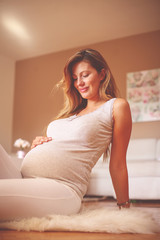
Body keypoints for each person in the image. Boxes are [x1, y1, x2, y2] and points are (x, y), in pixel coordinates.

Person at [0, 49, 132, 221]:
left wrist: (125, 207)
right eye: (75, 78)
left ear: (102, 74)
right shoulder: (72, 114)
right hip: (24, 179)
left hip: (62, 188)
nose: (79, 83)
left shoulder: (116, 107)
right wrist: (39, 144)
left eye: (85, 75)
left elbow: (118, 164)